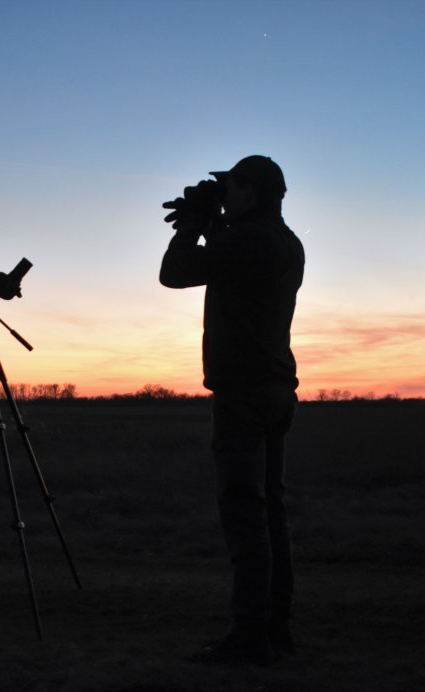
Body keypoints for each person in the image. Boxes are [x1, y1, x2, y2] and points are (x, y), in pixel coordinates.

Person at [159, 155, 305, 663]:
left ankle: (249, 637)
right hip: (275, 386)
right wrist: (214, 221)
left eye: (232, 188)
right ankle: (276, 626)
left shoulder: (248, 240)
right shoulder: (283, 240)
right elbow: (235, 260)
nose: (226, 194)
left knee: (245, 515)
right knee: (272, 513)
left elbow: (174, 273)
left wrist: (196, 225)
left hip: (243, 391)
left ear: (251, 193)